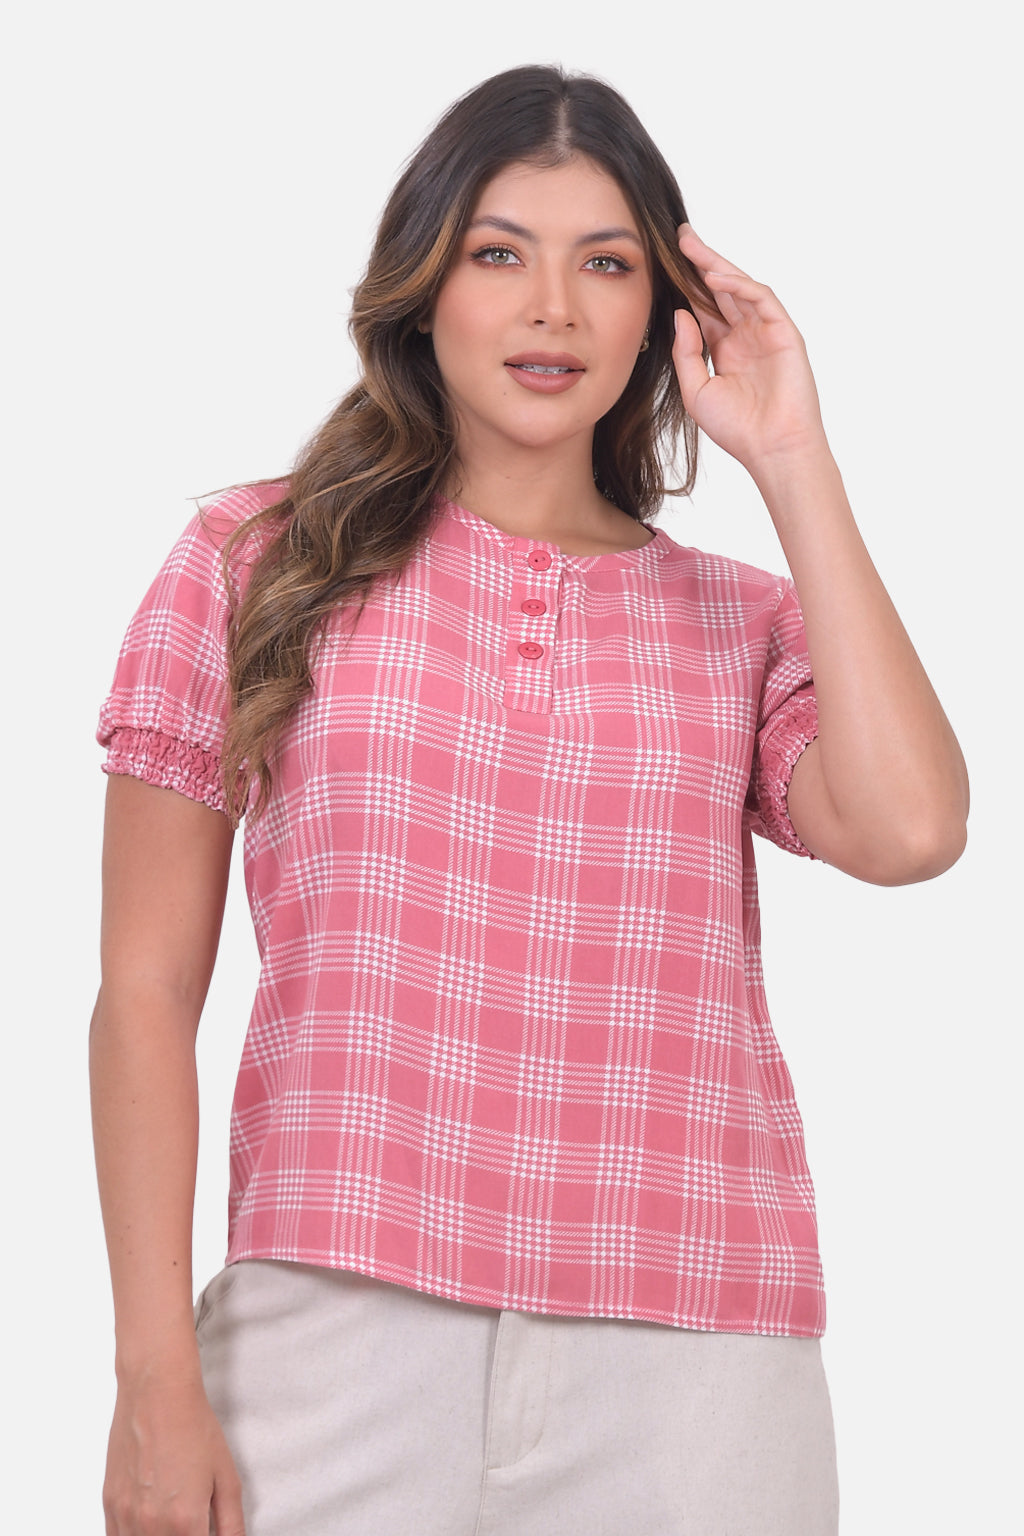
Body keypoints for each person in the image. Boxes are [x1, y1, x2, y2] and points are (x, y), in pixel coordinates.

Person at [90, 64, 969, 1536]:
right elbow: (143, 993)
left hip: (697, 1368)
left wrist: (792, 456)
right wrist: (151, 1378)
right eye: (500, 253)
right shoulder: (256, 562)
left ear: (662, 314)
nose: (553, 307)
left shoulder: (740, 621)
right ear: (424, 285)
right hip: (331, 1337)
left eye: (606, 264)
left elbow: (912, 830)